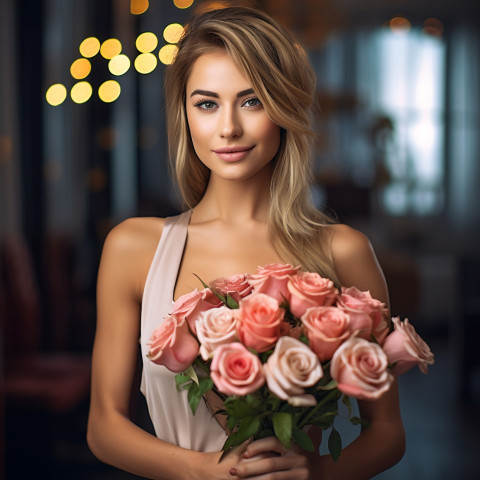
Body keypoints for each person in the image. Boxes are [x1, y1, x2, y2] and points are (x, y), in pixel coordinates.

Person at [87, 6, 405, 479]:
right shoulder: (132, 247)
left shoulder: (343, 251)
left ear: (283, 108)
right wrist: (203, 471)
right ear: (185, 114)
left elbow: (388, 432)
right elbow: (104, 426)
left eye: (252, 101)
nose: (229, 127)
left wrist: (316, 473)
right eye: (207, 103)